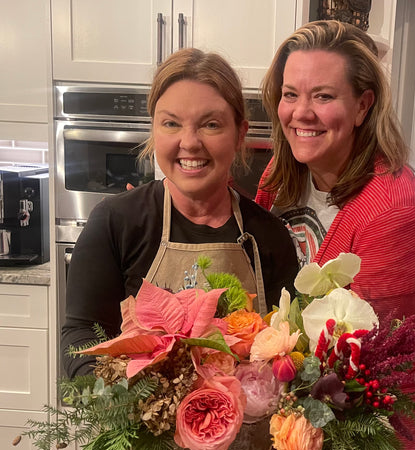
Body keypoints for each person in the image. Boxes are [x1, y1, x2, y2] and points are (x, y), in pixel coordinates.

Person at [255, 20, 415, 450]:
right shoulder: (280, 177)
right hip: (292, 405)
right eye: (290, 94)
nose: (301, 112)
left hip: (364, 428)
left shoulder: (395, 210)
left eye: (323, 96)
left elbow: (362, 364)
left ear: (362, 105)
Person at [61, 48, 298, 382]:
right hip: (137, 427)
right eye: (171, 123)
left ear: (240, 133)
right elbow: (81, 336)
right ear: (154, 129)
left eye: (211, 125)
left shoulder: (269, 236)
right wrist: (123, 408)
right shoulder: (115, 223)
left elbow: (290, 351)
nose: (189, 142)